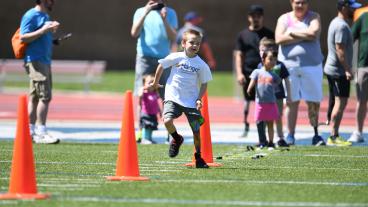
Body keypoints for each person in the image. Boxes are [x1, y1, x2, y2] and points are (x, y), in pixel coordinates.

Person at [150, 29, 212, 168]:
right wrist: (155, 82)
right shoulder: (176, 57)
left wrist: (199, 98)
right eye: (191, 42)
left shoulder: (201, 64)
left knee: (196, 132)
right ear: (183, 43)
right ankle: (177, 139)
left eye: (198, 43)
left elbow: (204, 83)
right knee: (167, 120)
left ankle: (198, 157)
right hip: (173, 96)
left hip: (190, 101)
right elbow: (161, 65)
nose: (195, 45)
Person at [275, 0, 325, 146]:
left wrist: (291, 33)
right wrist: (305, 35)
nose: (300, 5)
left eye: (303, 2)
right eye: (297, 2)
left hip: (312, 65)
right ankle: (290, 135)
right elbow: (279, 38)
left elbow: (314, 33)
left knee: (313, 101)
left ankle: (316, 134)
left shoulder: (314, 16)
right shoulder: (284, 18)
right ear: (291, 3)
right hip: (289, 67)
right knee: (291, 101)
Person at [131, 0, 178, 142]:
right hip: (144, 57)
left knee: (166, 95)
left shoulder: (170, 13)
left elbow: (173, 37)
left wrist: (164, 19)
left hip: (163, 59)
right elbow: (134, 33)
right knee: (142, 94)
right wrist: (146, 12)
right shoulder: (140, 11)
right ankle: (141, 130)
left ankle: (169, 132)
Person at [20, 0, 60, 144]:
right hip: (36, 60)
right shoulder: (31, 15)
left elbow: (39, 37)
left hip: (44, 60)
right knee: (45, 96)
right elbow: (23, 37)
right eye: (51, 0)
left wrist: (52, 39)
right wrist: (44, 30)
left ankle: (30, 131)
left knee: (35, 97)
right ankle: (41, 132)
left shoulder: (45, 16)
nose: (53, 2)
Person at [324, 0, 361, 146]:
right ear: (343, 7)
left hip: (335, 70)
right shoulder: (341, 25)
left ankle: (333, 134)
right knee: (340, 103)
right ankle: (333, 136)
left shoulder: (337, 22)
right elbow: (340, 50)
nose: (354, 10)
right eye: (351, 7)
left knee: (338, 103)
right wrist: (347, 69)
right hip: (338, 71)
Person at [234, 5, 274, 137]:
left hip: (265, 73)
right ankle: (245, 125)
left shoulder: (269, 34)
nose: (255, 19)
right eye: (253, 16)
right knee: (247, 100)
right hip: (248, 72)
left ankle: (263, 130)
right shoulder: (243, 35)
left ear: (262, 17)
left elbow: (274, 54)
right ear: (249, 17)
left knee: (263, 101)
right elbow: (239, 55)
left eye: (258, 16)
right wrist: (239, 73)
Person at [257, 38, 291, 147]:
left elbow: (286, 79)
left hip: (278, 96)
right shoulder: (260, 66)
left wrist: (288, 95)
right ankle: (264, 140)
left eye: (265, 49)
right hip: (265, 98)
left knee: (278, 117)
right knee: (264, 118)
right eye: (261, 50)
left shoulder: (280, 65)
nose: (262, 52)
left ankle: (281, 138)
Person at [247, 49, 282, 150]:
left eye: (274, 60)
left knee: (270, 123)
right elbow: (253, 80)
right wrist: (249, 88)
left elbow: (278, 82)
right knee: (259, 122)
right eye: (270, 59)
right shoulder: (257, 72)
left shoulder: (274, 74)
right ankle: (262, 141)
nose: (272, 62)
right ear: (263, 59)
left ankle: (271, 142)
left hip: (271, 103)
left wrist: (274, 87)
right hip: (260, 103)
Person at [349, 5, 368, 143]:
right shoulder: (363, 17)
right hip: (364, 67)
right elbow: (349, 40)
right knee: (361, 101)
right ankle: (358, 131)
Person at [137, 74, 162, 144]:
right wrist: (143, 88)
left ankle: (149, 138)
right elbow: (139, 95)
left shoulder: (155, 93)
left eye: (153, 83)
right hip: (146, 113)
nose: (151, 85)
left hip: (153, 114)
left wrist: (160, 112)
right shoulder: (144, 93)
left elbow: (157, 104)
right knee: (146, 126)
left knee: (151, 127)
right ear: (144, 84)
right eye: (149, 83)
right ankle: (144, 139)